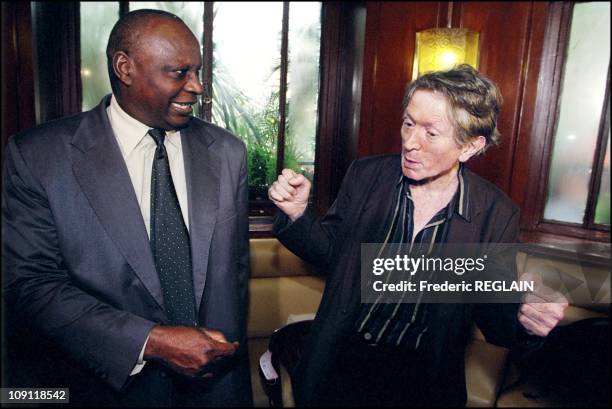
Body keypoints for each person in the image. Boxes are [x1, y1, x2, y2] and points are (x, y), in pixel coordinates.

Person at [268, 65, 568, 406]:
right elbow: (332, 253)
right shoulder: (366, 176)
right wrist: (297, 214)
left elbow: (494, 319)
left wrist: (523, 311)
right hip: (339, 364)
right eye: (408, 123)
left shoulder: (495, 214)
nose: (410, 143)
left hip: (422, 382)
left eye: (431, 132)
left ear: (470, 146)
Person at [2, 9, 251, 407]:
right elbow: (31, 284)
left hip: (214, 387)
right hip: (103, 387)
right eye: (179, 72)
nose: (198, 87)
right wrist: (150, 342)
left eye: (198, 70)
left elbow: (234, 274)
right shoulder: (39, 157)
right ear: (125, 68)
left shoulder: (227, 152)